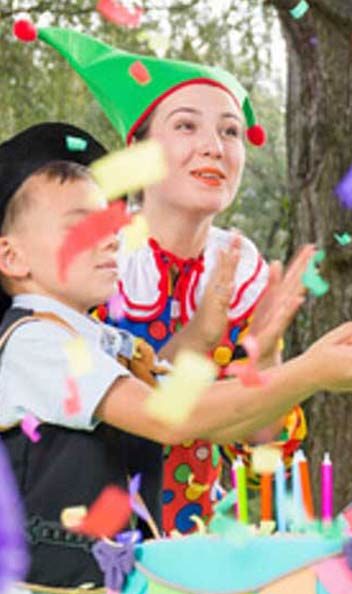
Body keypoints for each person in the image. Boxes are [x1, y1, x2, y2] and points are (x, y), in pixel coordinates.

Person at [0, 122, 352, 594]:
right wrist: (310, 373)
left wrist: (245, 351)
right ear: (13, 259)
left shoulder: (96, 342)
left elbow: (213, 417)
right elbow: (171, 418)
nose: (110, 235)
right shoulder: (35, 343)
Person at [24, 26, 312, 534]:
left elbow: (262, 443)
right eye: (186, 126)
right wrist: (199, 337)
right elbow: (137, 414)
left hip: (198, 549)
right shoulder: (91, 260)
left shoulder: (244, 272)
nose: (214, 148)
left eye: (230, 132)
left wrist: (266, 364)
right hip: (84, 549)